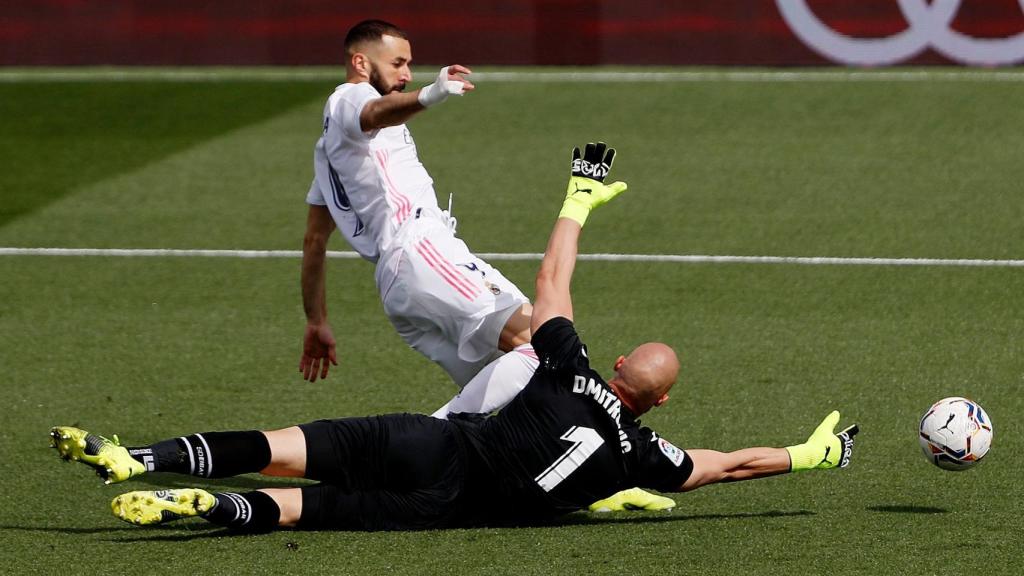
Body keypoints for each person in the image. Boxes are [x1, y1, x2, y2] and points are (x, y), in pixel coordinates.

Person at [51, 142, 860, 532]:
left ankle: (145, 457)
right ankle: (212, 507)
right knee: (308, 509)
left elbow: (552, 281)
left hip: (434, 444)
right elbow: (727, 465)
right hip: (448, 507)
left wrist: (579, 198)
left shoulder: (567, 370)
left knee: (286, 445)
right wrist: (809, 454)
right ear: (663, 402)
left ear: (618, 366)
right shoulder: (644, 456)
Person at [299, 19, 665, 511]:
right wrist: (430, 95)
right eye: (398, 63)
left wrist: (316, 320)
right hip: (421, 250)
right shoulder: (350, 99)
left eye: (410, 65)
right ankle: (415, 448)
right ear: (361, 62)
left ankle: (592, 486)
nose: (406, 74)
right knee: (544, 346)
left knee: (531, 390)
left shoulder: (328, 154)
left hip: (398, 281)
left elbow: (314, 242)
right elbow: (372, 112)